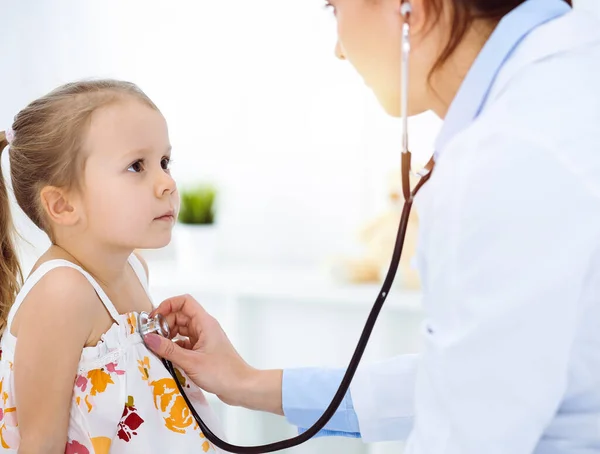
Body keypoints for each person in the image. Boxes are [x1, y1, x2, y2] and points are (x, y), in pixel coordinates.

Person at [143, 0, 600, 452]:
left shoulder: (505, 155)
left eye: (333, 9)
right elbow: (482, 373)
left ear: (410, 9)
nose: (339, 50)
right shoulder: (558, 91)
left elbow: (469, 428)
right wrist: (248, 383)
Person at [0, 80, 226, 453]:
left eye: (165, 162)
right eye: (137, 166)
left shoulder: (135, 268)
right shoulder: (63, 293)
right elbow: (40, 444)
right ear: (62, 205)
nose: (167, 183)